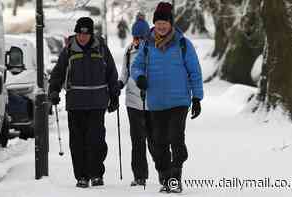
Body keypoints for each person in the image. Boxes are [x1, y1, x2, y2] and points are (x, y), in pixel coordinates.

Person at [131, 2, 204, 193]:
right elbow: (136, 66)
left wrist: (197, 98)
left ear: (171, 23)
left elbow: (194, 71)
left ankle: (175, 179)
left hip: (179, 101)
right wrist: (139, 78)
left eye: (165, 22)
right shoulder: (147, 44)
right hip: (156, 102)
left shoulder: (182, 44)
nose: (162, 26)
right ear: (154, 23)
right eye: (158, 22)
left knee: (176, 138)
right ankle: (165, 176)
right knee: (158, 142)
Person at [48, 17, 120, 188]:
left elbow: (111, 72)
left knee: (96, 141)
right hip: (76, 104)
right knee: (78, 142)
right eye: (80, 33)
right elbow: (58, 72)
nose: (82, 37)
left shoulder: (101, 49)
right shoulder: (69, 51)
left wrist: (114, 95)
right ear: (76, 33)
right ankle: (81, 176)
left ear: (91, 34)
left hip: (97, 103)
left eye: (86, 34)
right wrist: (54, 91)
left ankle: (96, 174)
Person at [117, 15, 152, 187]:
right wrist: (119, 84)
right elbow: (125, 73)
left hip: (152, 102)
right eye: (135, 37)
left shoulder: (154, 50)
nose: (138, 40)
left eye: (141, 37)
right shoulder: (129, 51)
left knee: (155, 141)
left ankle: (164, 171)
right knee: (137, 141)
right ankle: (140, 175)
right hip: (133, 102)